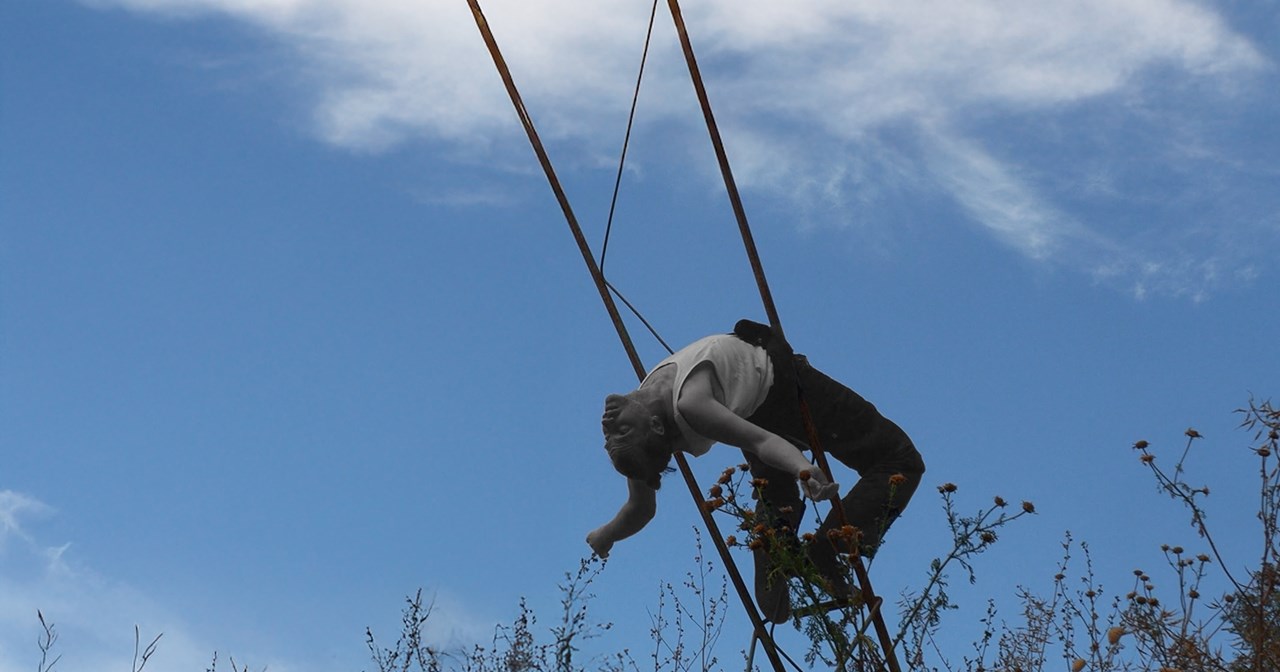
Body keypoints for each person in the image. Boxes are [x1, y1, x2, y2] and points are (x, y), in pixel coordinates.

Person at [586, 320, 924, 622]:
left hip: (749, 405)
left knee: (776, 495)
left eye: (611, 435)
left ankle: (772, 548)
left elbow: (640, 508)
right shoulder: (690, 405)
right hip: (783, 389)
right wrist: (803, 468)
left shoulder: (646, 416)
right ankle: (827, 550)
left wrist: (605, 534)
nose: (607, 429)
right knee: (900, 462)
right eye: (619, 433)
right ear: (657, 428)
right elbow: (763, 442)